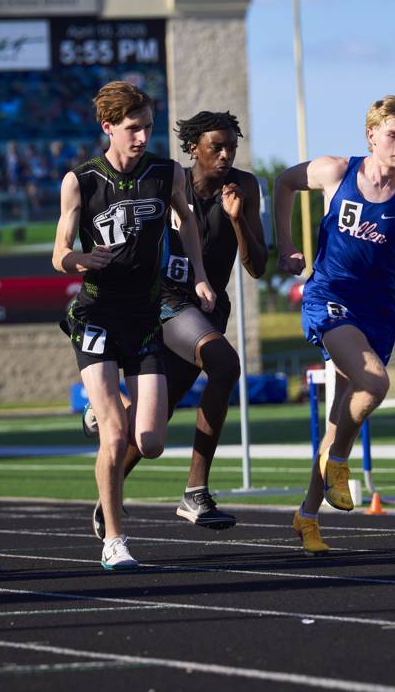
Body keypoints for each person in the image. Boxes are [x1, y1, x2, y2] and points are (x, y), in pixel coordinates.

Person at [275, 95, 395, 555]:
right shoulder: (335, 172)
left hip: (379, 312)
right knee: (374, 383)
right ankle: (339, 463)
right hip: (330, 297)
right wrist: (284, 246)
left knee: (345, 411)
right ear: (372, 136)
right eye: (394, 136)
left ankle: (308, 516)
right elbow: (281, 183)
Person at [53, 81, 215, 570]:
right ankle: (115, 538)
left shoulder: (166, 174)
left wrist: (201, 276)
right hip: (98, 315)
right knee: (117, 435)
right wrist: (79, 258)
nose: (142, 136)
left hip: (144, 317)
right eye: (132, 129)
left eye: (146, 127)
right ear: (107, 128)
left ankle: (99, 414)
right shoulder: (80, 180)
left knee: (152, 441)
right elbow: (59, 252)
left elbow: (186, 221)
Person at [84, 110, 267, 534]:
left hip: (206, 310)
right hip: (162, 304)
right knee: (225, 364)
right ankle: (195, 493)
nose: (225, 156)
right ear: (193, 149)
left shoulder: (245, 186)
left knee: (152, 425)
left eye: (231, 148)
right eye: (215, 147)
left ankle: (106, 495)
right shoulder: (166, 182)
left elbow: (256, 266)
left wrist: (237, 218)